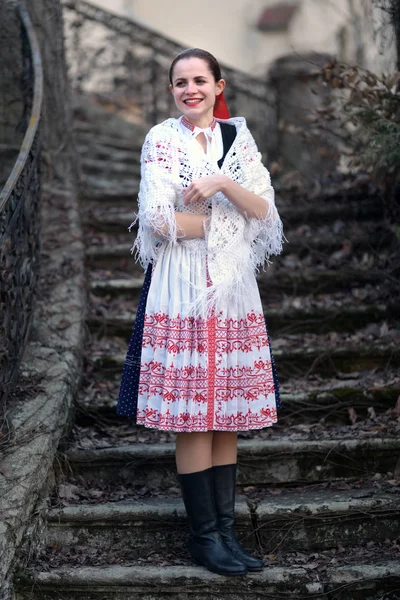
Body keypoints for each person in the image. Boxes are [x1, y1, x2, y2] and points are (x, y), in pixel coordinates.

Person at [117, 48, 283, 576]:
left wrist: (219, 187)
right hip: (183, 285)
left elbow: (265, 212)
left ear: (218, 85)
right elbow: (159, 222)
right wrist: (229, 220)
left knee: (227, 414)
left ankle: (228, 537)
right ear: (172, 91)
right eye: (179, 82)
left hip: (232, 289)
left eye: (198, 80)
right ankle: (204, 539)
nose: (189, 89)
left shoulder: (239, 138)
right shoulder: (162, 140)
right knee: (194, 412)